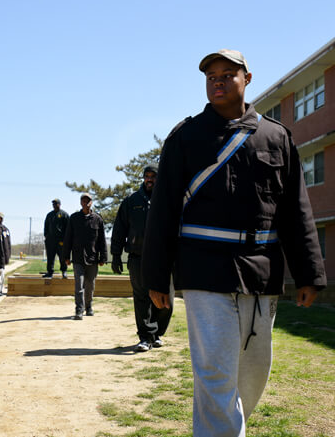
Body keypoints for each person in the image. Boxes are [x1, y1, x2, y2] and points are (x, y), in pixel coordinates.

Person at [142, 49, 327, 436]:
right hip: (205, 272)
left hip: (261, 271)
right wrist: (157, 277)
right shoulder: (186, 138)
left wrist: (308, 274)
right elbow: (162, 212)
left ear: (248, 79)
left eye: (228, 74)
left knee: (251, 377)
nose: (218, 81)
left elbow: (296, 211)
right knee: (214, 375)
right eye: (211, 76)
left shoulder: (277, 137)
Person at [111, 164, 173, 352]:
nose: (149, 179)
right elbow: (119, 229)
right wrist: (115, 255)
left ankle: (157, 333)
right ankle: (145, 337)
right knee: (141, 298)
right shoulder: (132, 200)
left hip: (163, 258)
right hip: (138, 257)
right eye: (147, 176)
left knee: (166, 299)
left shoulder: (167, 199)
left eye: (153, 176)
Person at [62, 194, 107, 319]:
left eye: (88, 201)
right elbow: (68, 238)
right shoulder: (74, 218)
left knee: (90, 285)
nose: (85, 203)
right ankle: (79, 310)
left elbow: (102, 240)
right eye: (83, 200)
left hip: (92, 259)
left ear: (91, 203)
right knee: (79, 285)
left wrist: (103, 257)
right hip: (78, 258)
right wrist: (66, 256)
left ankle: (89, 307)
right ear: (80, 203)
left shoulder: (97, 219)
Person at [44, 199, 69, 278]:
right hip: (51, 241)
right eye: (53, 204)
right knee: (50, 257)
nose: (54, 205)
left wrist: (65, 239)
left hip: (61, 241)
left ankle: (64, 271)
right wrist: (46, 236)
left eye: (56, 204)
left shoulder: (64, 214)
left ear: (59, 204)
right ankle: (50, 272)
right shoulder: (49, 215)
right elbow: (46, 226)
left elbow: (68, 228)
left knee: (62, 257)